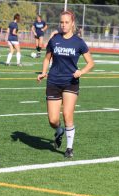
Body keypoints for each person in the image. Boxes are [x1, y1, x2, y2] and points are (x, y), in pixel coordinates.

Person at [37, 11, 94, 158]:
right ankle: (59, 130)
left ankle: (69, 148)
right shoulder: (54, 40)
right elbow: (47, 58)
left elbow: (91, 63)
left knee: (68, 115)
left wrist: (81, 72)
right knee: (53, 120)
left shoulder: (79, 42)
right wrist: (43, 72)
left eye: (66, 22)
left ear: (72, 23)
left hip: (70, 82)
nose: (63, 25)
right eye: (61, 22)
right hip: (53, 81)